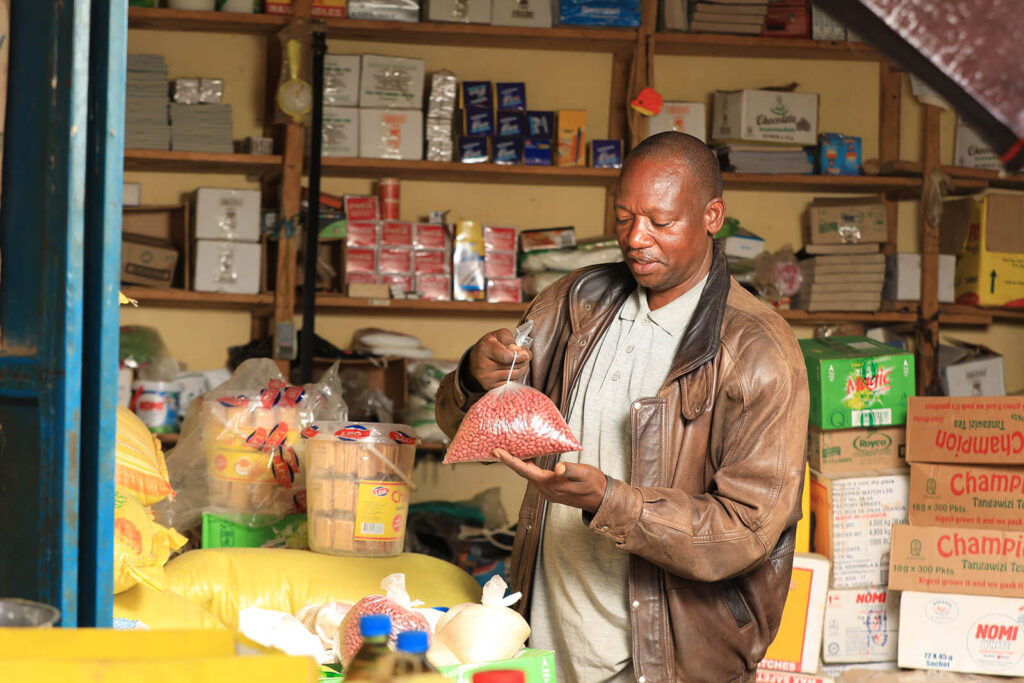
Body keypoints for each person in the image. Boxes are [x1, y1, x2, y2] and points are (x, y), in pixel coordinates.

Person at [435, 131, 809, 683]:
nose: (636, 238)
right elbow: (467, 431)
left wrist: (613, 502)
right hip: (544, 641)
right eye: (624, 217)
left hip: (671, 660)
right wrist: (472, 376)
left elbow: (745, 531)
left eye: (660, 222)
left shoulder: (758, 351)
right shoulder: (572, 304)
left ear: (712, 216)